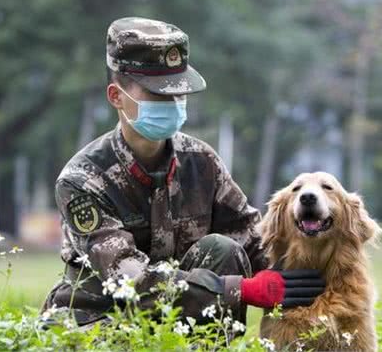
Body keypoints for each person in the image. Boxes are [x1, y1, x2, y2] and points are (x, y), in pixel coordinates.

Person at [40, 17, 324, 328]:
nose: (173, 103)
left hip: (177, 317)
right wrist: (240, 290)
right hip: (101, 320)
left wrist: (318, 264)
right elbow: (130, 280)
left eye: (179, 93)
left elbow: (254, 241)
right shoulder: (82, 180)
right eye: (159, 94)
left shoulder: (201, 161)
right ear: (116, 96)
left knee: (223, 250)